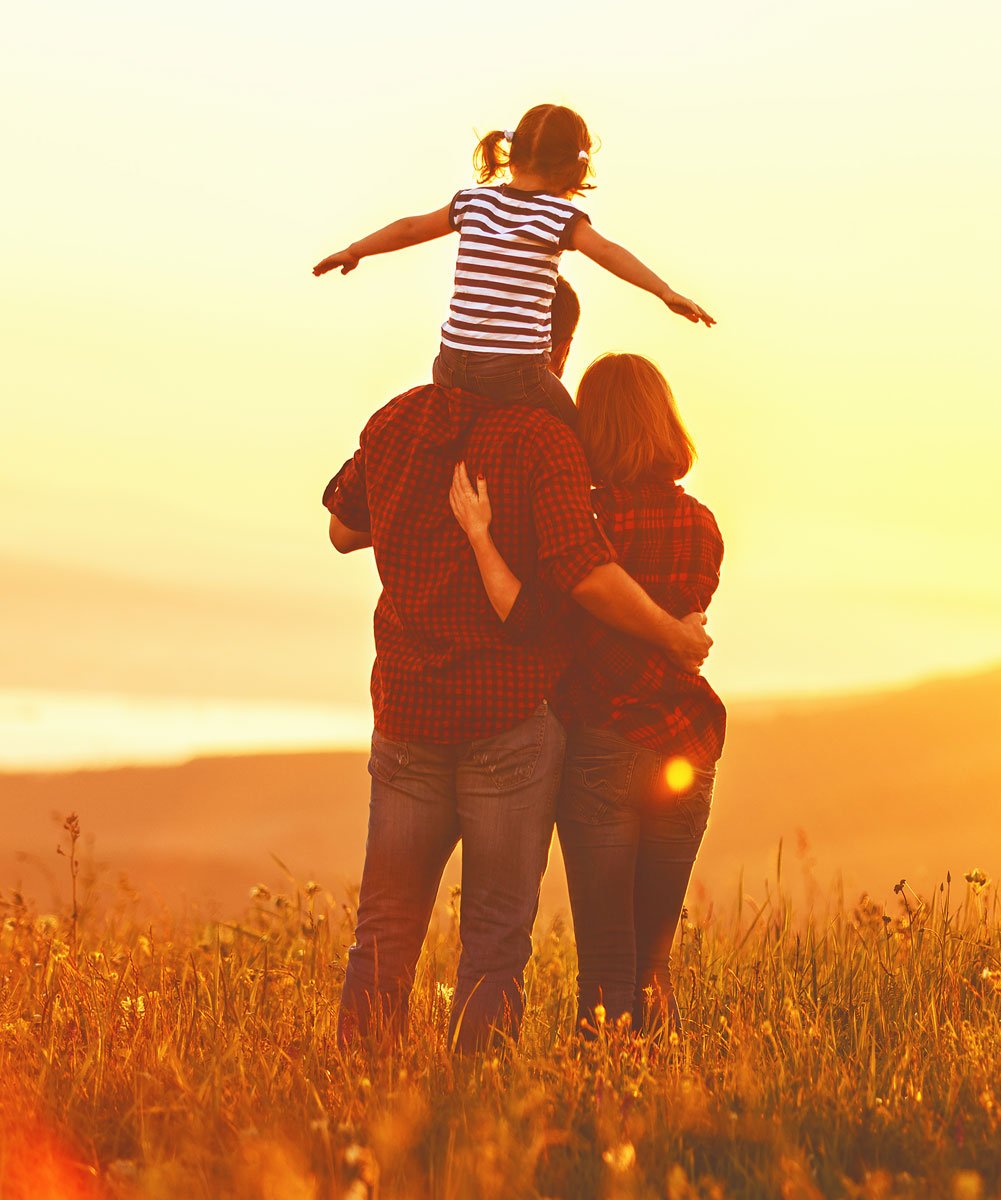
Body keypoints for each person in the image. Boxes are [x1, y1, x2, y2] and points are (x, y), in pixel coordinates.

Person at [323, 294, 712, 1055]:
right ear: (551, 350)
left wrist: (420, 514)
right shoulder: (545, 439)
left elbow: (343, 530)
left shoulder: (398, 419)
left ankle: (359, 1083)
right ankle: (478, 1096)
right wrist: (672, 634)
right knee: (497, 931)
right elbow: (579, 571)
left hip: (407, 708)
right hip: (509, 717)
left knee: (386, 921)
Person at [449, 352, 725, 1036]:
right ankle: (665, 1094)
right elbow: (687, 617)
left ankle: (604, 1100)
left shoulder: (585, 525)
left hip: (602, 747)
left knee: (606, 958)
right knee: (654, 959)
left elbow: (532, 614)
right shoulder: (703, 525)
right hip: (686, 746)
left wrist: (482, 537)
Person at [312, 103, 713, 426]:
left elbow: (409, 228)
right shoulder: (559, 217)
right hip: (515, 372)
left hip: (451, 365)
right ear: (575, 165)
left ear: (512, 153)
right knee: (573, 436)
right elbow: (608, 252)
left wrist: (355, 250)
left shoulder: (473, 201)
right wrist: (664, 291)